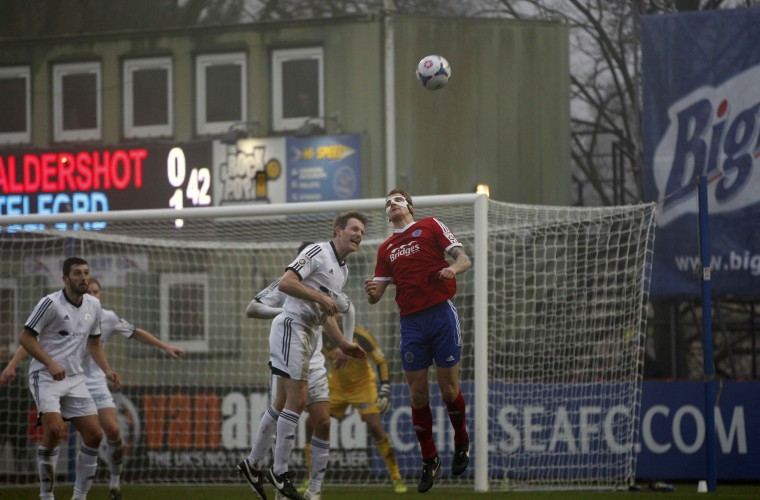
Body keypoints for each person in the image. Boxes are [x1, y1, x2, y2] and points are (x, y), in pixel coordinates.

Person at [2, 277, 187, 500]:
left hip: (96, 381)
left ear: (101, 295)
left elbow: (136, 331)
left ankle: (115, 481)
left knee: (113, 431)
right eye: (90, 291)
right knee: (55, 431)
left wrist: (165, 346)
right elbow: (33, 339)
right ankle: (48, 492)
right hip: (63, 379)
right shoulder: (63, 312)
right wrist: (12, 365)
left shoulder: (106, 317)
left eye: (97, 292)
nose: (93, 295)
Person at [240, 210, 369, 500]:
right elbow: (286, 284)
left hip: (309, 338)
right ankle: (279, 471)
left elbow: (332, 313)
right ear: (338, 231)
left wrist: (344, 344)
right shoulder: (317, 252)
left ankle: (262, 468)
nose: (359, 234)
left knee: (312, 413)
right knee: (291, 401)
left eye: (362, 230)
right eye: (354, 228)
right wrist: (318, 298)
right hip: (291, 329)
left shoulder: (342, 270)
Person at [364, 189, 472, 493]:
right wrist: (372, 292)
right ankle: (429, 459)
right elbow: (376, 297)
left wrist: (451, 269)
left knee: (449, 390)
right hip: (411, 322)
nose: (391, 204)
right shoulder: (386, 248)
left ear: (409, 206)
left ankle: (461, 441)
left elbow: (464, 259)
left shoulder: (431, 225)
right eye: (386, 202)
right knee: (418, 395)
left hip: (440, 315)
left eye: (396, 199)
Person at [239, 241, 341, 500]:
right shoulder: (288, 283)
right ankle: (274, 476)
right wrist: (285, 309)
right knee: (285, 406)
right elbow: (252, 308)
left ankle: (315, 488)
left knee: (322, 420)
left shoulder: (326, 282)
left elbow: (344, 310)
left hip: (314, 358)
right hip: (289, 347)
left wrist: (344, 342)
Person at [13, 256, 120, 500]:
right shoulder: (50, 303)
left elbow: (94, 343)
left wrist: (108, 370)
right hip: (45, 376)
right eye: (77, 273)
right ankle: (46, 495)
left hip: (75, 378)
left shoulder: (94, 305)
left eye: (85, 272)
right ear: (65, 278)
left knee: (94, 435)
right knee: (53, 430)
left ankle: (79, 497)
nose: (83, 277)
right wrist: (50, 364)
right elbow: (25, 338)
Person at [299, 310, 407, 494]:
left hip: (363, 387)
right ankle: (311, 476)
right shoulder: (324, 337)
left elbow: (381, 361)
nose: (339, 316)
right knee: (311, 423)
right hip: (336, 387)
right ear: (330, 317)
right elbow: (310, 359)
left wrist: (386, 389)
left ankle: (396, 476)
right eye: (335, 312)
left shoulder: (362, 336)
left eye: (343, 312)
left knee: (375, 426)